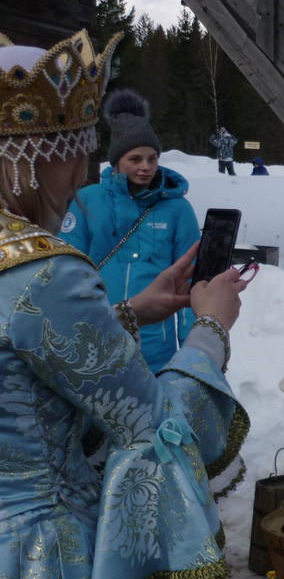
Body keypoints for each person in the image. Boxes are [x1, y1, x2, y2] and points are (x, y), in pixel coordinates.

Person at [0, 30, 263, 579]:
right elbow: (163, 434)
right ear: (27, 156)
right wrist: (209, 325)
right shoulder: (44, 273)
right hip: (49, 569)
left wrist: (128, 314)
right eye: (73, 147)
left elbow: (24, 371)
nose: (81, 169)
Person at [62, 88, 201, 372]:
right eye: (135, 159)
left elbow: (191, 282)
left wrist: (193, 351)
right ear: (116, 161)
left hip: (156, 354)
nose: (146, 167)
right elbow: (66, 273)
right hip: (96, 344)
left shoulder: (178, 209)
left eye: (152, 158)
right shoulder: (88, 200)